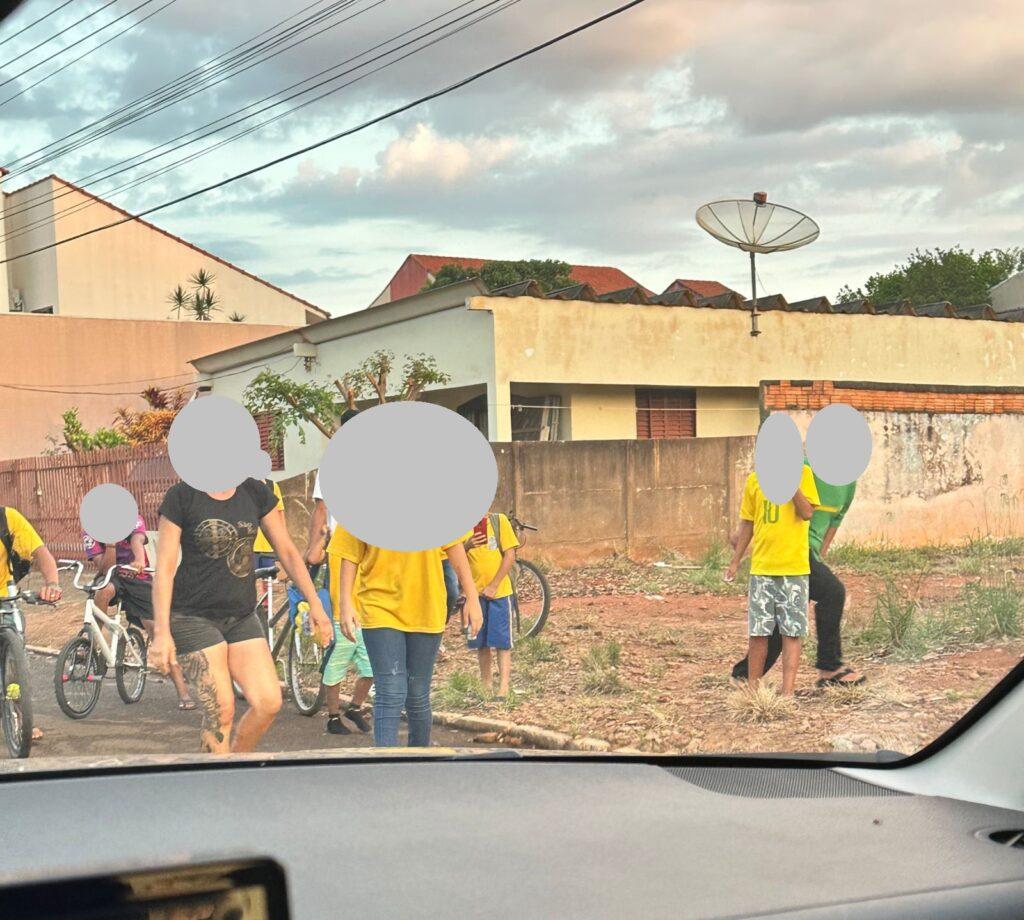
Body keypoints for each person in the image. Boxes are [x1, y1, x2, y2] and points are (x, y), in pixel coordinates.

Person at [150, 477, 332, 754]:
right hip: (191, 616)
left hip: (241, 616)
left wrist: (315, 604)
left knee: (268, 702)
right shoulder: (182, 496)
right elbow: (164, 567)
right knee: (220, 711)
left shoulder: (254, 491)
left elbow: (287, 551)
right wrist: (162, 633)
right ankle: (214, 789)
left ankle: (233, 768)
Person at [332, 525, 482, 747]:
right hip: (379, 604)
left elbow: (454, 546)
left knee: (417, 693)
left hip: (427, 605)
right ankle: (386, 770)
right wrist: (345, 602)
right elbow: (349, 553)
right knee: (390, 691)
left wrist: (472, 596)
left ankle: (418, 765)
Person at [730, 463, 864, 687]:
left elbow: (833, 524)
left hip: (805, 555)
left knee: (793, 616)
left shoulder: (848, 483)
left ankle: (745, 675)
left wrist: (819, 562)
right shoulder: (804, 467)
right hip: (790, 549)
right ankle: (829, 667)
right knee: (831, 594)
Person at [82, 513, 194, 710]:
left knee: (157, 632)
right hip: (111, 576)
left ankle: (182, 691)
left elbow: (137, 541)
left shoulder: (132, 517)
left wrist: (139, 560)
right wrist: (110, 544)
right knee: (102, 591)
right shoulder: (89, 529)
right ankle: (94, 645)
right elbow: (104, 567)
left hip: (137, 577)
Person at [724, 465, 819, 695]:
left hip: (794, 569)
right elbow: (748, 523)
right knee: (758, 633)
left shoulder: (803, 473)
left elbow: (807, 513)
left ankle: (787, 694)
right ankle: (754, 691)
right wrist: (736, 561)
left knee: (791, 633)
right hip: (762, 570)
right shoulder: (755, 480)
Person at [1, 505, 63, 742]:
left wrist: (53, 583)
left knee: (15, 654)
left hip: (4, 598)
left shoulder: (7, 518)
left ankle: (21, 715)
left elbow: (40, 552)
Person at [465, 512, 520, 699]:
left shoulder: (499, 521)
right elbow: (452, 556)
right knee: (481, 643)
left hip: (500, 593)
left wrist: (494, 584)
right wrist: (467, 545)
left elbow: (510, 555)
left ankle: (503, 688)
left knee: (502, 642)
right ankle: (486, 686)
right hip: (474, 596)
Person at [322, 559, 373, 734]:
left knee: (371, 668)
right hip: (339, 614)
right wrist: (322, 535)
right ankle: (333, 717)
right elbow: (313, 556)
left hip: (367, 613)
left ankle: (354, 708)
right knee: (335, 667)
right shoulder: (334, 535)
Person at [252, 477, 286, 578]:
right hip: (249, 547)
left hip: (269, 546)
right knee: (250, 583)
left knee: (269, 583)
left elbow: (280, 515)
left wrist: (282, 543)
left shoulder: (272, 485)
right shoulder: (240, 487)